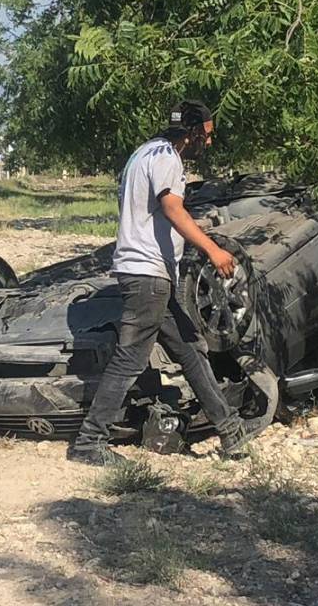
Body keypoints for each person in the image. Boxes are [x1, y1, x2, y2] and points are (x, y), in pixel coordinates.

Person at [68, 101, 266, 466]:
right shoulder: (167, 158)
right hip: (147, 274)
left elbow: (154, 212)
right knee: (129, 359)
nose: (207, 143)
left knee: (191, 347)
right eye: (205, 135)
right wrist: (212, 250)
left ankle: (230, 430)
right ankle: (88, 443)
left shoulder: (142, 153)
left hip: (150, 273)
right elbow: (172, 208)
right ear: (191, 132)